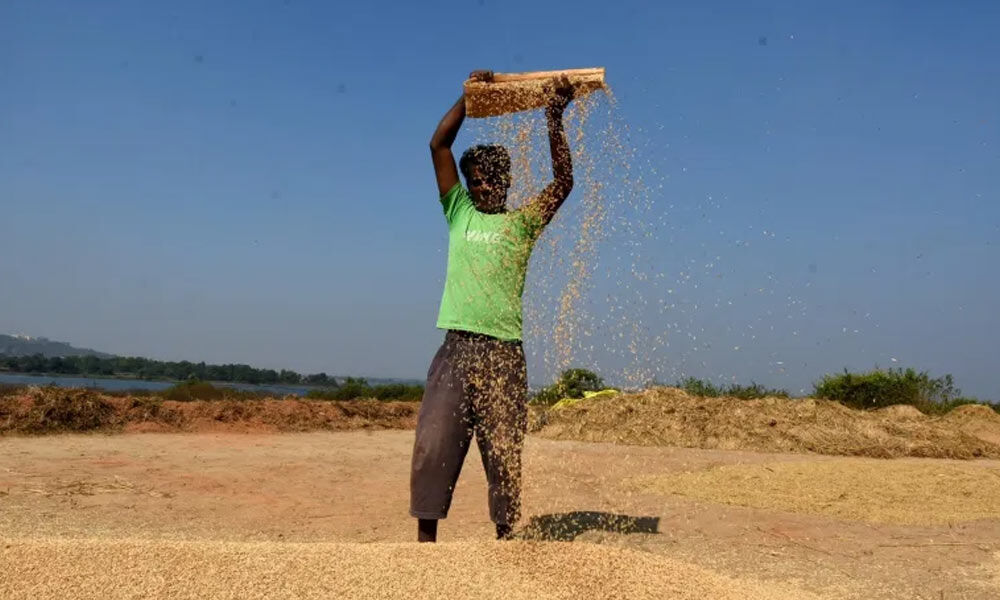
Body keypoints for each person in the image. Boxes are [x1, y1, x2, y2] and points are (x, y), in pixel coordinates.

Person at [410, 70, 575, 542]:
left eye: (493, 181)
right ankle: (423, 549)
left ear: (507, 181)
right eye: (477, 182)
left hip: (503, 354)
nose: (485, 189)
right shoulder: (458, 213)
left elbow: (564, 182)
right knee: (433, 446)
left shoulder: (522, 224)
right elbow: (438, 145)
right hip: (456, 349)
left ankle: (505, 545)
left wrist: (554, 117)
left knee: (504, 454)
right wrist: (470, 97)